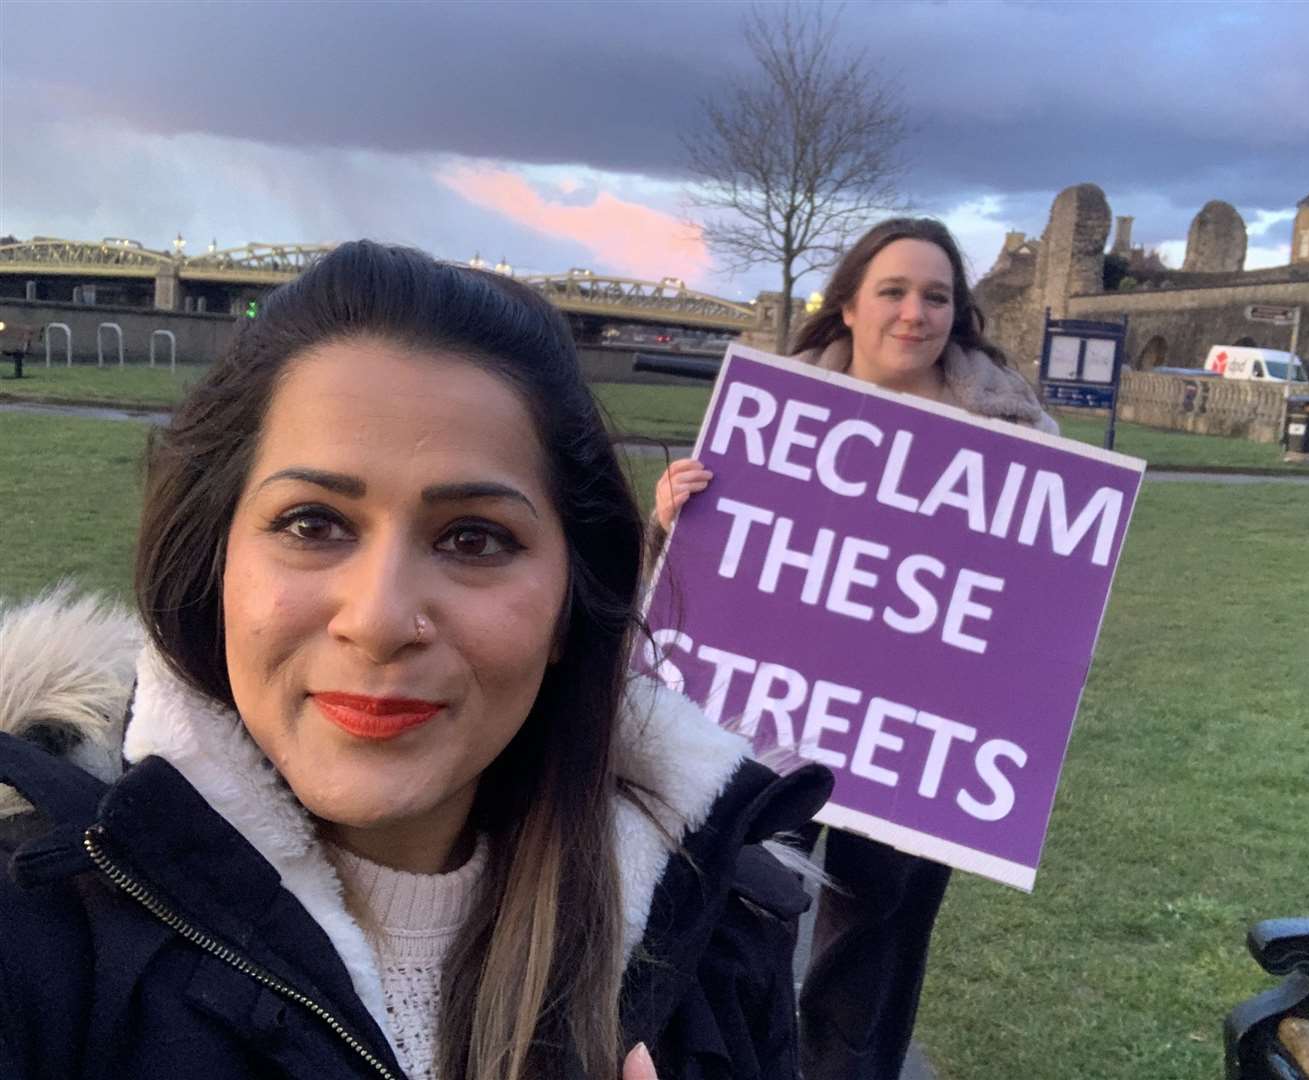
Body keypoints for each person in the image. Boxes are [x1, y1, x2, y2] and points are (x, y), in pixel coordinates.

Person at [0, 241, 831, 1080]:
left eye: (474, 538)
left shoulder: (721, 941)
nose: (381, 619)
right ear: (214, 564)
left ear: (568, 607)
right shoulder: (33, 926)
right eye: (312, 524)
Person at [652, 218, 1059, 1080]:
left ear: (960, 312)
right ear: (847, 304)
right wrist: (676, 522)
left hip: (920, 725)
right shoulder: (773, 417)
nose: (915, 314)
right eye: (894, 291)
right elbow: (717, 579)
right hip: (777, 712)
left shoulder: (1017, 437)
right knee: (746, 901)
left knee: (876, 935)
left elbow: (1036, 602)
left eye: (936, 296)